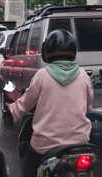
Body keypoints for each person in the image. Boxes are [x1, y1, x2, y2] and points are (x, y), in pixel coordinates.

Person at [9, 30, 93, 177]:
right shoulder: (83, 75)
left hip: (46, 145)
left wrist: (11, 110)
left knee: (29, 170)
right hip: (80, 143)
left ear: (47, 51)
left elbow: (24, 104)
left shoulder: (42, 75)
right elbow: (88, 106)